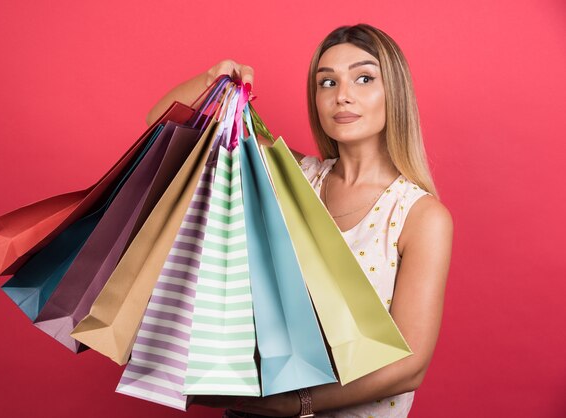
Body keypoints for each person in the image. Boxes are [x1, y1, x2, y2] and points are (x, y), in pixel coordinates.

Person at [146, 23, 453, 418]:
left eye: (363, 78)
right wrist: (212, 81)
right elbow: (166, 133)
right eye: (327, 83)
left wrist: (296, 404)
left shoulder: (420, 215)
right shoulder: (289, 176)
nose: (342, 96)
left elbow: (409, 365)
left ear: (394, 92)